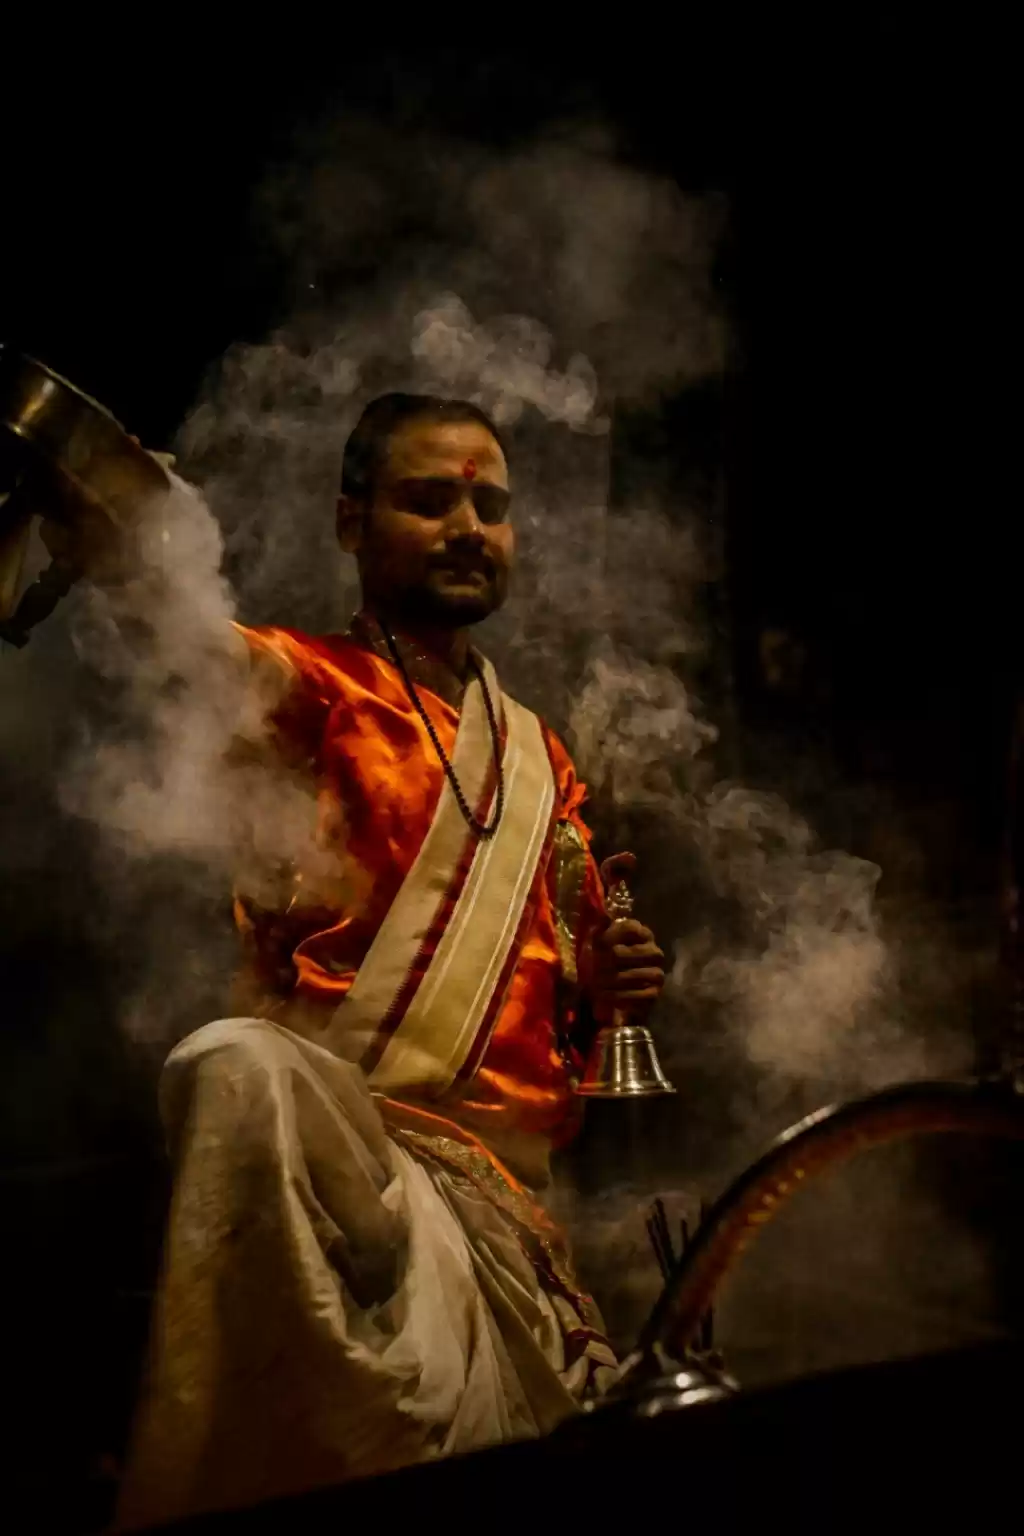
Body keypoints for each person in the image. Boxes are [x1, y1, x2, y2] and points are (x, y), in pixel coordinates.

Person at [115, 394, 667, 1529]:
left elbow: (548, 1008)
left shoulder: (539, 757)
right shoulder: (306, 683)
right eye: (430, 499)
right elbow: (186, 645)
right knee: (235, 1063)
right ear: (351, 522)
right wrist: (119, 526)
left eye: (492, 505)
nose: (470, 525)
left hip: (503, 1206)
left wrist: (603, 989)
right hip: (340, 1147)